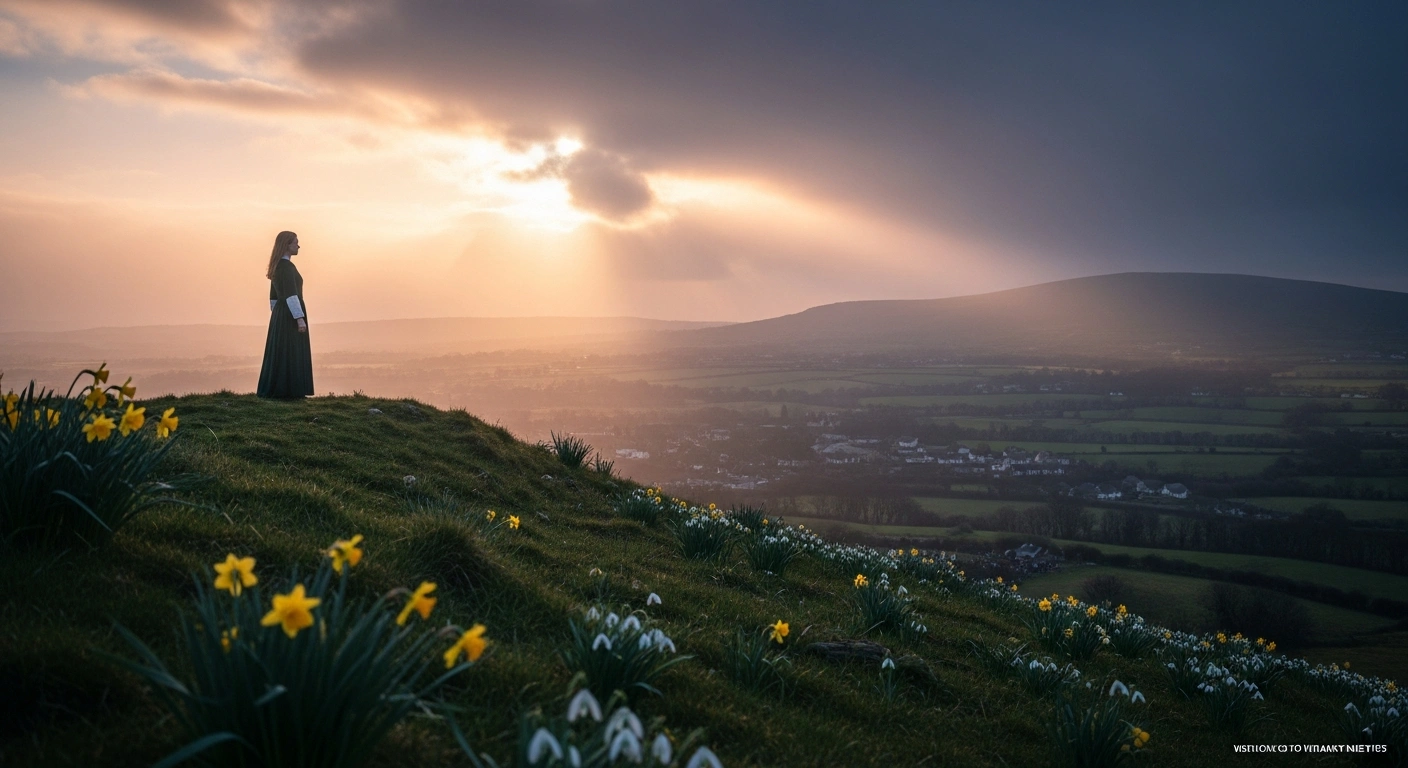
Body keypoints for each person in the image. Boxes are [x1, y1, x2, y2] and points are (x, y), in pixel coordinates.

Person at [257, 231, 314, 398]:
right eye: (296, 242)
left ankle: (281, 389)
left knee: (281, 351)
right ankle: (291, 391)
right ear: (287, 245)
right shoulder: (287, 268)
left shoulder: (277, 267)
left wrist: (277, 315)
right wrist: (299, 319)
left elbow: (273, 297)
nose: (298, 245)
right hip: (290, 313)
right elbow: (291, 294)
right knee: (292, 350)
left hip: (281, 313)